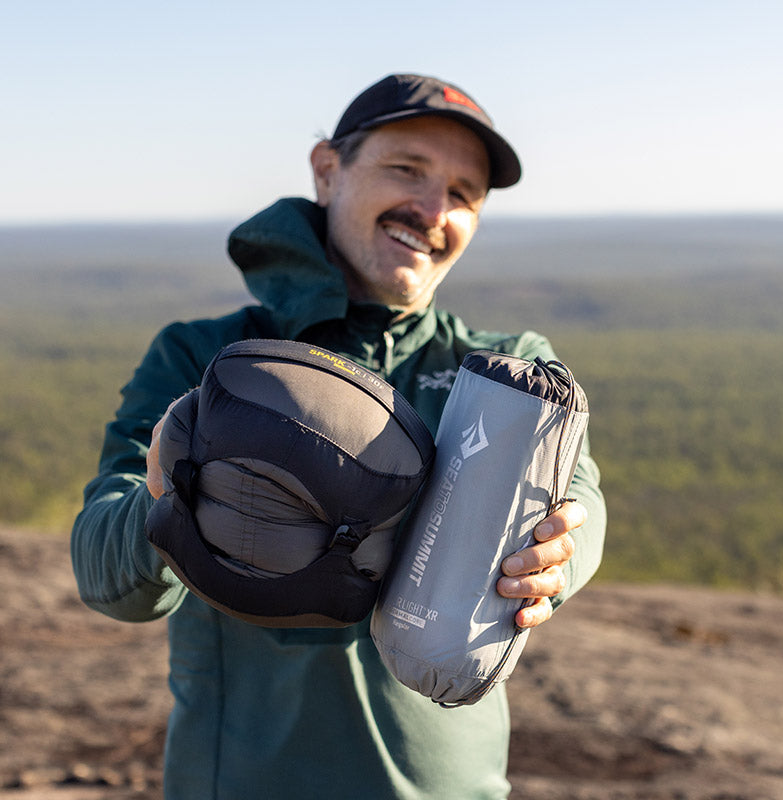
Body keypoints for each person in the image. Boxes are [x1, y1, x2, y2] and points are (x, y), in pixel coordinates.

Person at [71, 73, 606, 800]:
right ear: (327, 170)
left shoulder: (506, 377)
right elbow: (106, 577)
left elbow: (581, 500)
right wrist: (171, 484)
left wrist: (555, 560)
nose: (433, 210)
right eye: (407, 169)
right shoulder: (207, 359)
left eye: (463, 194)